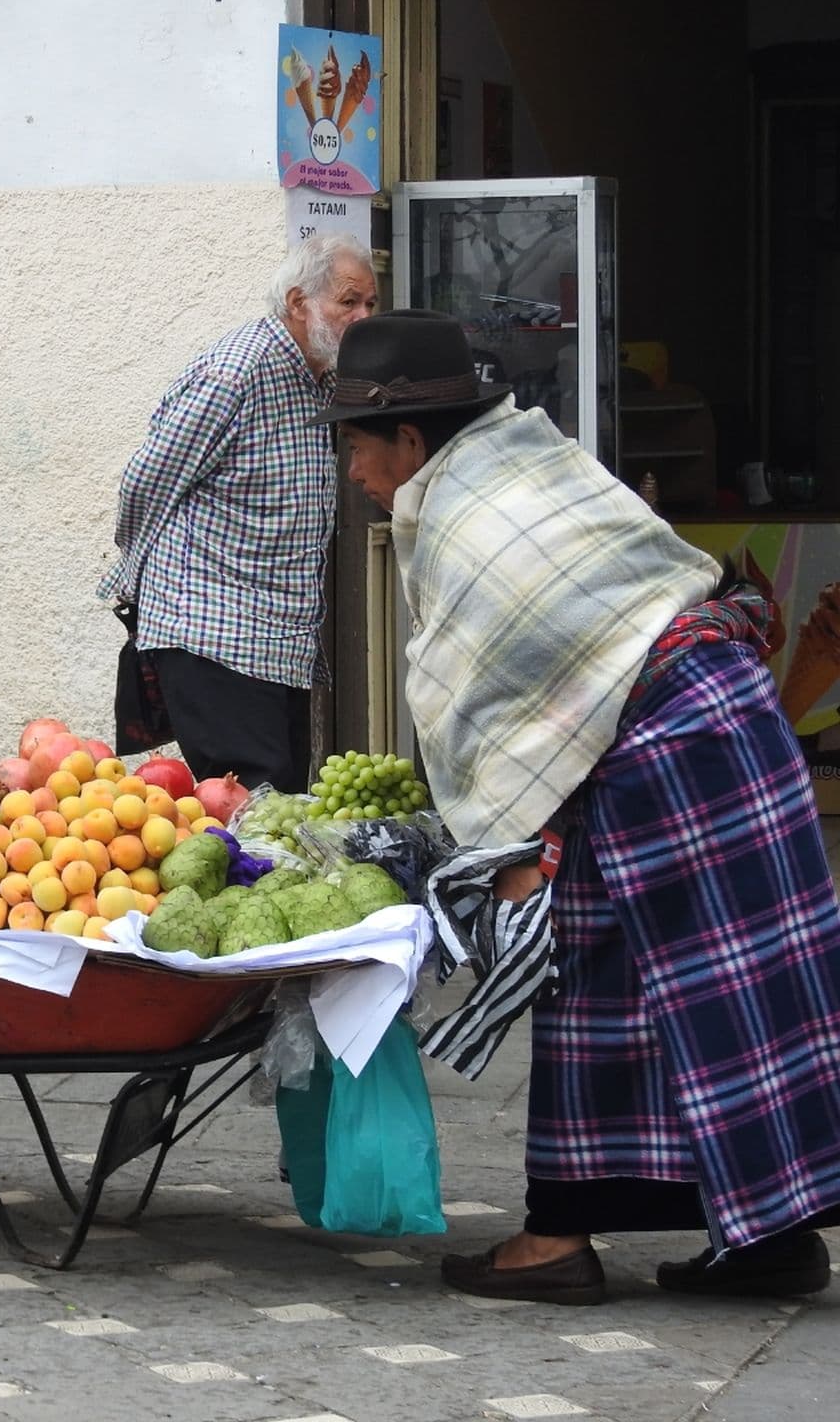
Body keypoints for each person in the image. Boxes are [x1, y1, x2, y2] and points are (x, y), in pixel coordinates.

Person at [323, 309, 840, 1303]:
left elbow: (494, 697)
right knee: (700, 998)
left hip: (671, 750)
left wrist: (509, 846)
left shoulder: (471, 518)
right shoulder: (527, 466)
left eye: (357, 444)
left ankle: (562, 1240)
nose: (353, 470)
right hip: (709, 727)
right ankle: (768, 1234)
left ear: (411, 441)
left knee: (610, 984)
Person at [99, 233, 377, 792]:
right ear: (299, 303)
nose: (364, 317)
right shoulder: (238, 370)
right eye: (349, 302)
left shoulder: (316, 374)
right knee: (255, 807)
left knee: (281, 805)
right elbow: (144, 483)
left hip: (277, 641)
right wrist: (148, 582)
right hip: (216, 635)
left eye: (371, 304)